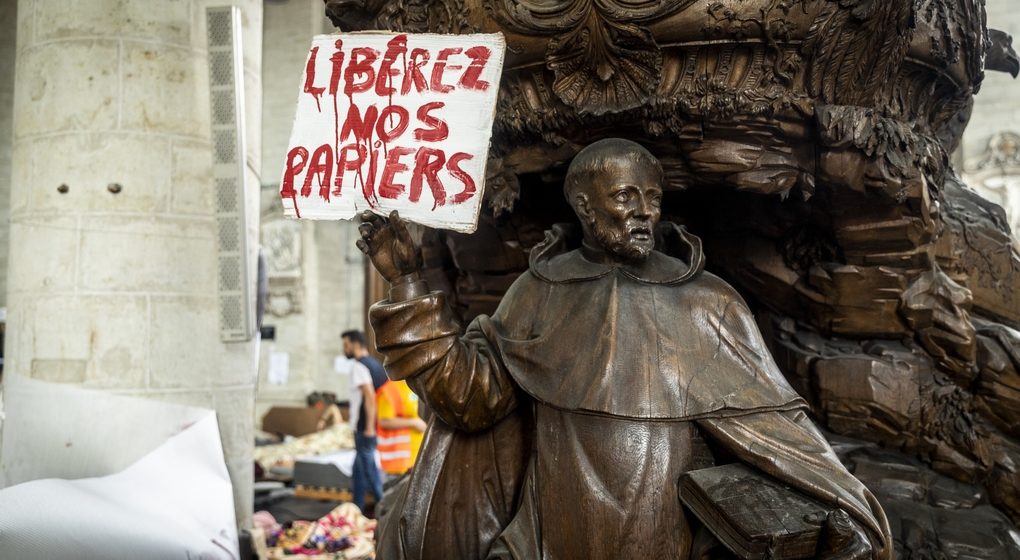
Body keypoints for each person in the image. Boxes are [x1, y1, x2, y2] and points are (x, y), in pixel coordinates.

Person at [356, 138, 892, 560]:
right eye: (624, 196)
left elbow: (776, 430)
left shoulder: (707, 301)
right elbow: (468, 398)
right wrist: (405, 281)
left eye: (652, 198)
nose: (644, 213)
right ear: (586, 207)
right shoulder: (539, 293)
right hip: (551, 540)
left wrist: (838, 503)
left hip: (671, 539)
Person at [341, 330, 387, 511]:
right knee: (359, 468)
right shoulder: (376, 365)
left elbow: (369, 396)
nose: (344, 349)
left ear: (355, 344)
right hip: (372, 425)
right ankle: (357, 506)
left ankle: (385, 506)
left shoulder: (359, 366)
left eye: (346, 345)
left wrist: (368, 427)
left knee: (369, 469)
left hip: (365, 427)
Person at [375, 379, 428, 476]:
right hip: (396, 462)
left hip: (413, 458)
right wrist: (414, 423)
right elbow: (383, 421)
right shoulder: (389, 390)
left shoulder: (412, 386)